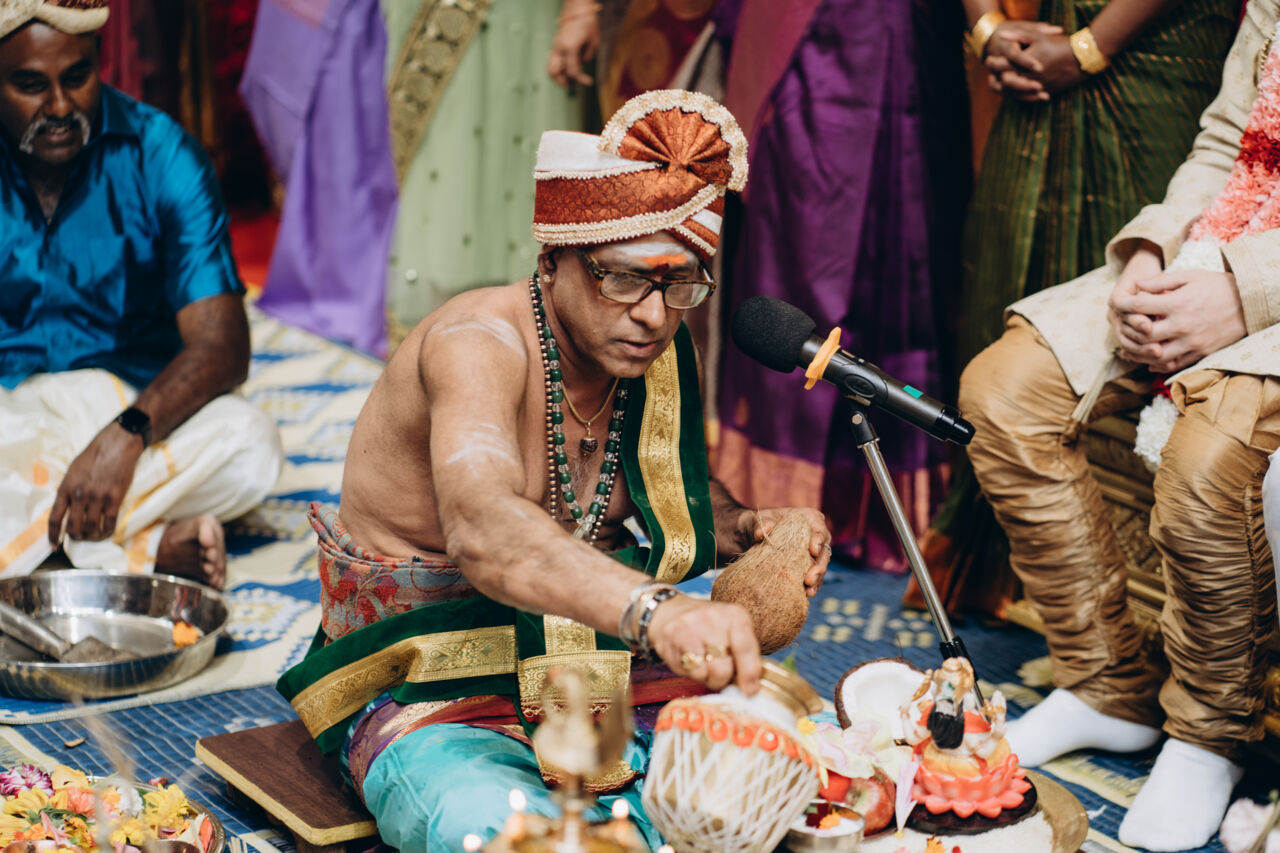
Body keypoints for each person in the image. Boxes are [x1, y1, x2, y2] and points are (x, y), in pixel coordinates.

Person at [276, 89, 831, 851]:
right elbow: (485, 529)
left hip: (589, 659)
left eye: (682, 285)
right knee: (492, 827)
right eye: (623, 278)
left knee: (784, 770)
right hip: (424, 679)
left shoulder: (646, 348)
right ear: (551, 262)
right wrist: (659, 611)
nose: (654, 314)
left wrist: (744, 525)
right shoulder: (477, 343)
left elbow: (659, 484)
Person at [961, 1, 1280, 848]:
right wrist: (1152, 249)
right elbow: (1225, 140)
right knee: (1004, 392)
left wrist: (1243, 292)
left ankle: (1210, 735)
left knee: (1208, 454)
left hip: (1266, 281)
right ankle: (1106, 683)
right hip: (1213, 246)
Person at [921, 0, 1237, 615]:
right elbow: (1221, 145)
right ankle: (1044, 605)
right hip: (1031, 47)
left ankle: (1136, 611)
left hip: (1157, 56)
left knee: (1184, 422)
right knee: (999, 349)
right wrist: (989, 30)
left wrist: (1090, 47)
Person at [0, 0, 283, 588]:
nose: (59, 107)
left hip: (129, 408)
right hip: (9, 415)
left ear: (100, 59)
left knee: (252, 447)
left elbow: (223, 347)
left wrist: (126, 435)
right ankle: (143, 552)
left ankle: (36, 553)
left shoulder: (162, 154)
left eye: (77, 77)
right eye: (30, 85)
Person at [709, 0, 970, 572]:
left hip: (913, 38)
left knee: (902, 253)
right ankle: (772, 509)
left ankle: (882, 508)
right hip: (808, 33)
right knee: (801, 250)